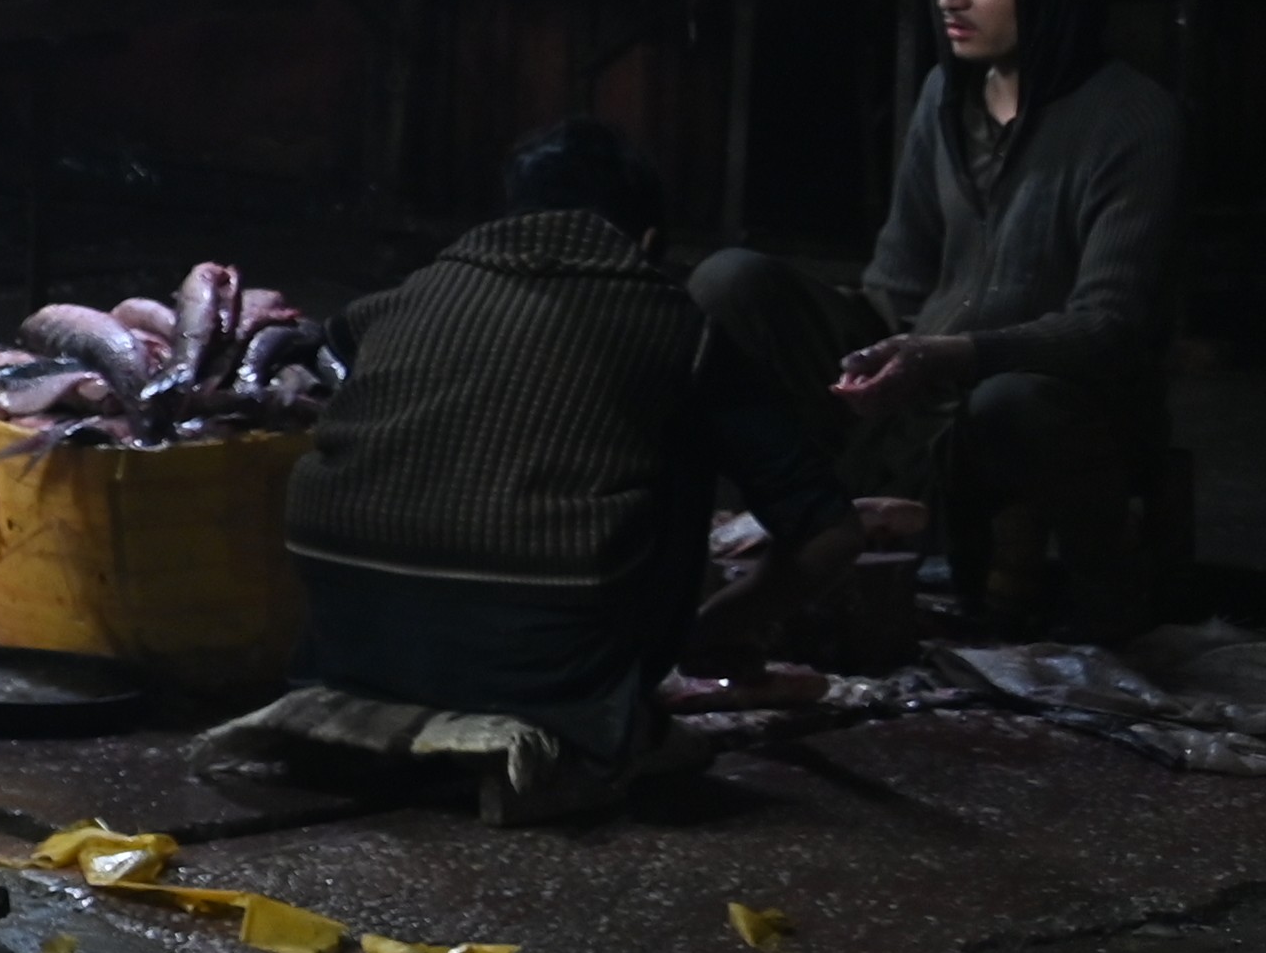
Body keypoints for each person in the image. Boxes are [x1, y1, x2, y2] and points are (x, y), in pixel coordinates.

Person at [226, 117, 851, 815]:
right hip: (545, 668)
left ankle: (397, 714)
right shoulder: (677, 325)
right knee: (676, 431)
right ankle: (590, 732)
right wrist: (719, 631)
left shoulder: (390, 306)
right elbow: (827, 531)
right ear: (645, 240)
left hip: (348, 653)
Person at [692, 0, 1183, 637]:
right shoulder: (945, 95)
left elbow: (1112, 325)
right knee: (731, 282)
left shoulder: (1131, 119)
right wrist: (876, 359)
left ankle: (1107, 592)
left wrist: (953, 355)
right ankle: (791, 532)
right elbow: (900, 277)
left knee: (1012, 403)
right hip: (929, 368)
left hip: (1036, 391)